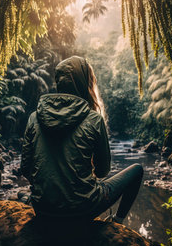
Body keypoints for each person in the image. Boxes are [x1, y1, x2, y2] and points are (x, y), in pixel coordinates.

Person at [21, 56, 143, 224]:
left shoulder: (34, 118)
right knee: (137, 170)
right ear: (83, 82)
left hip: (43, 211)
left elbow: (25, 169)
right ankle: (117, 220)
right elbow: (102, 172)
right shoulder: (94, 119)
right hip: (82, 211)